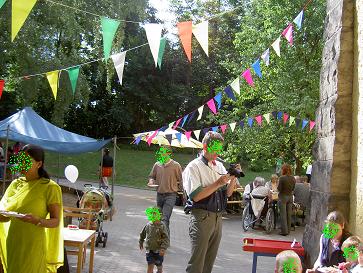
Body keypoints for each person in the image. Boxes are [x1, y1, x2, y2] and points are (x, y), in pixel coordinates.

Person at [183, 131, 241, 273]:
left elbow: (227, 193)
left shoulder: (219, 166)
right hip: (202, 217)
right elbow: (196, 196)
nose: (217, 152)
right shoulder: (193, 167)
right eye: (214, 148)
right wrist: (218, 183)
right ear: (205, 146)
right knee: (196, 265)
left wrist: (233, 177)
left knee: (209, 264)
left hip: (217, 218)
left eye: (219, 148)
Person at [0, 144, 64, 273]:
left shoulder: (50, 187)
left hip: (33, 245)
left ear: (39, 164)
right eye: (19, 161)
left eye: (25, 161)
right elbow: (3, 217)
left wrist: (37, 220)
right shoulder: (15, 184)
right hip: (13, 241)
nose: (21, 164)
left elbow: (56, 221)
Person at [147, 146, 182, 235]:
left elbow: (181, 180)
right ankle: (163, 239)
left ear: (169, 153)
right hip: (159, 194)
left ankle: (163, 245)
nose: (161, 154)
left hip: (171, 195)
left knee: (165, 218)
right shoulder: (157, 165)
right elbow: (152, 176)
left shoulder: (176, 165)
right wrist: (151, 182)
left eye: (163, 152)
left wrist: (181, 193)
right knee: (158, 218)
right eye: (160, 152)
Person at [139, 207, 169, 273]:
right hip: (149, 250)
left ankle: (160, 270)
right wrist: (141, 241)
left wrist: (163, 248)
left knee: (159, 264)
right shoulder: (148, 225)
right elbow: (142, 233)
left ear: (160, 215)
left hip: (158, 250)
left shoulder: (162, 226)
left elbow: (166, 238)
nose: (153, 215)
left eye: (155, 214)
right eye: (152, 213)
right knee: (150, 265)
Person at [278, 163, 296, 236]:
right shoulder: (293, 178)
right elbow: (293, 188)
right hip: (290, 197)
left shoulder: (282, 178)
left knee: (283, 214)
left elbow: (279, 189)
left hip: (283, 197)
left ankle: (284, 231)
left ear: (283, 170)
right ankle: (288, 230)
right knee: (289, 214)